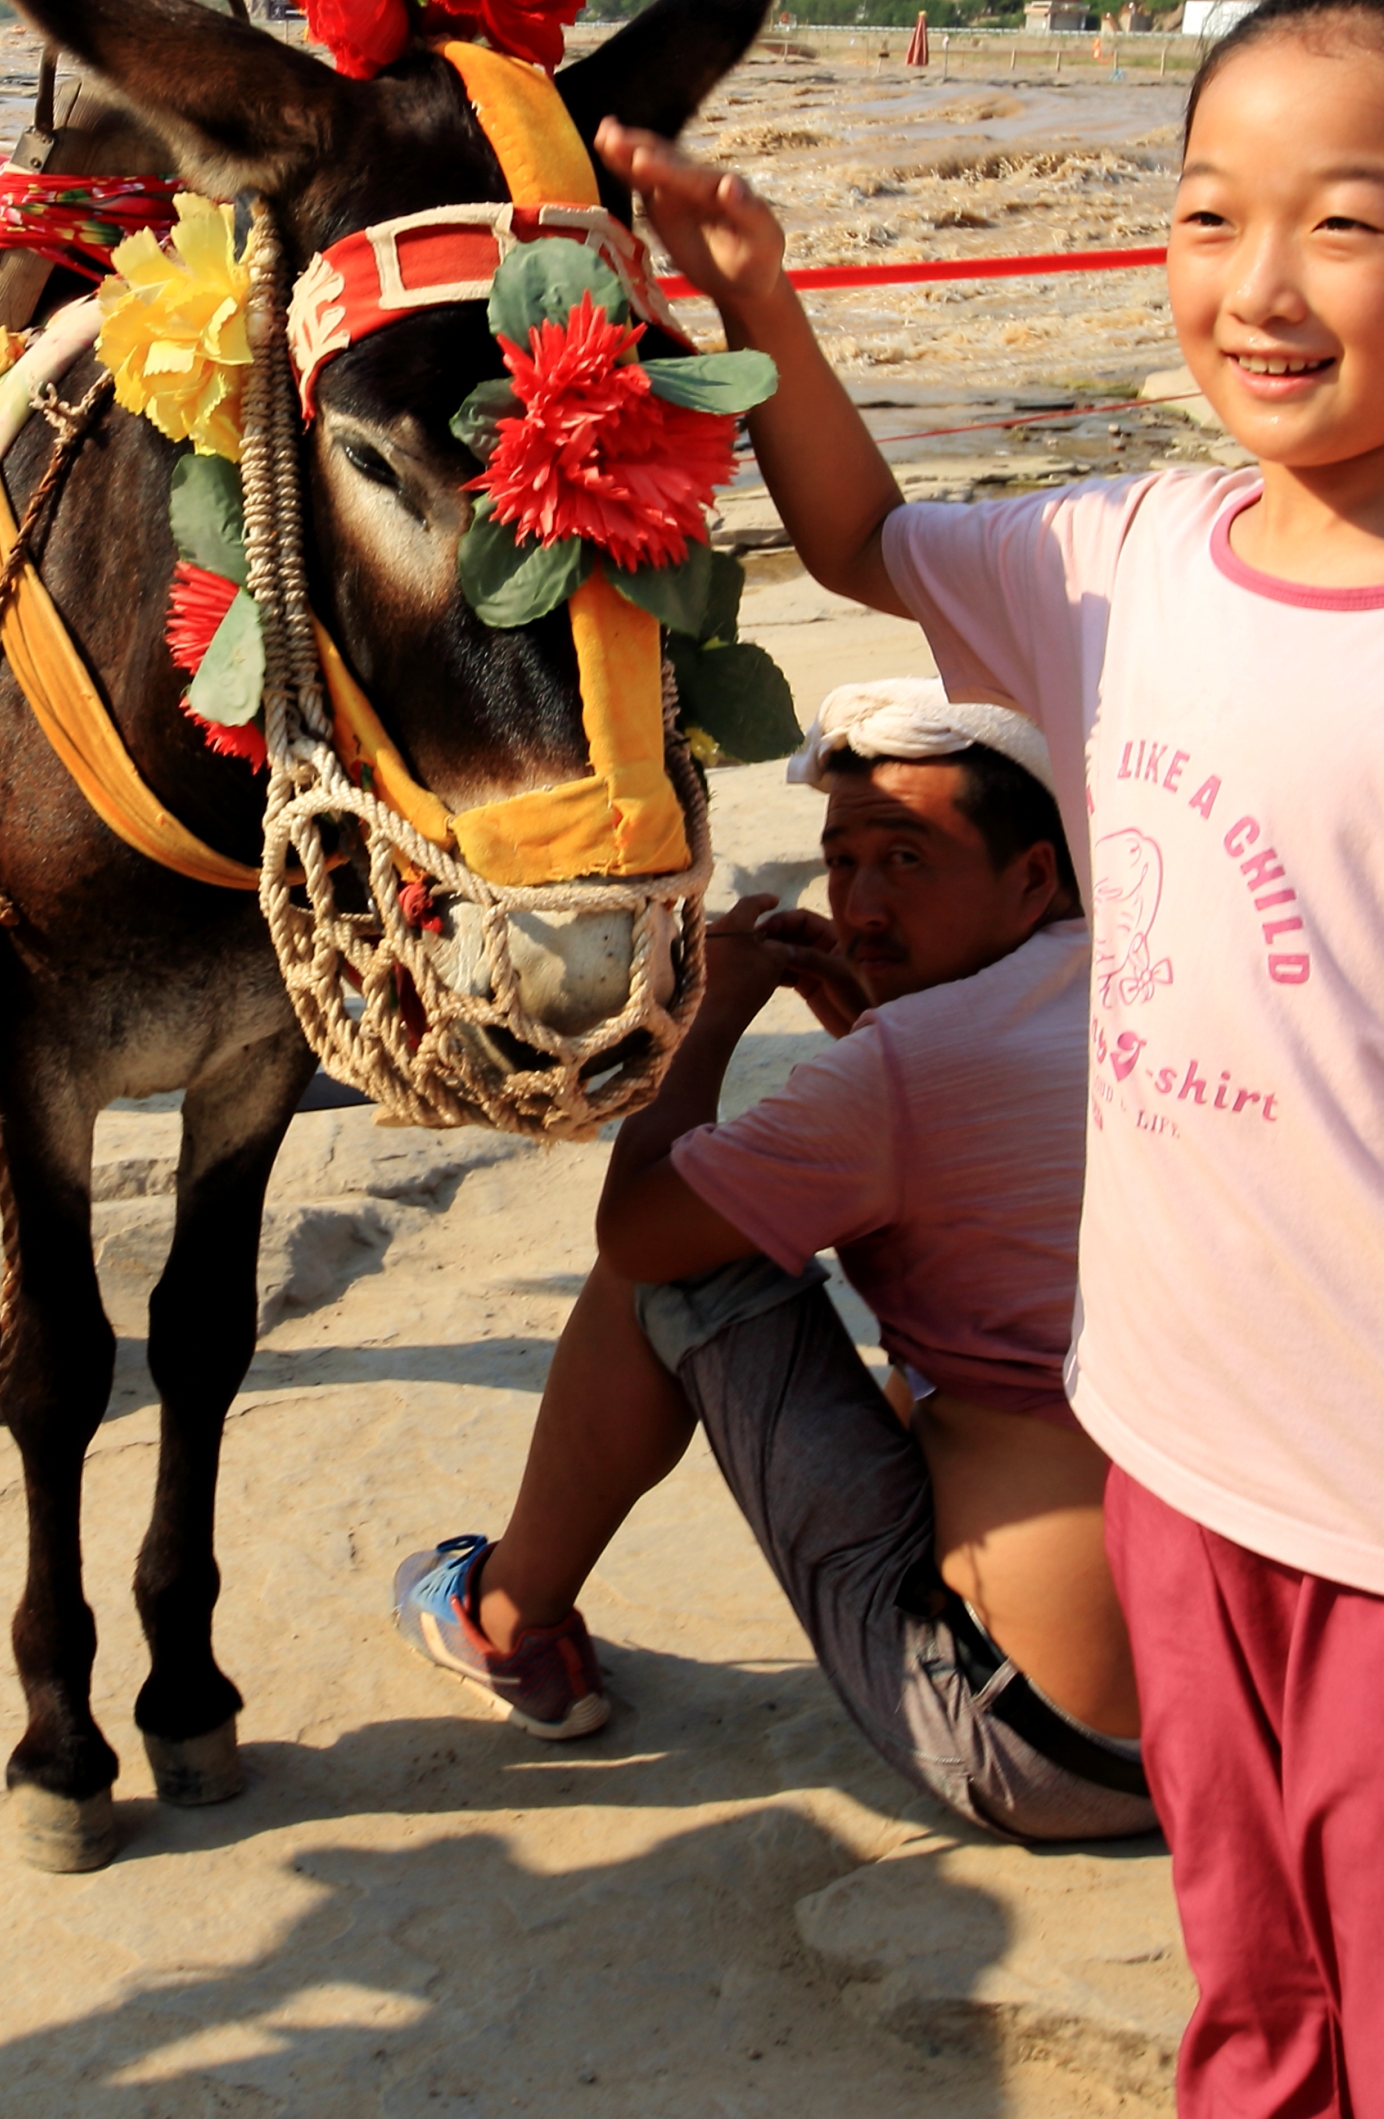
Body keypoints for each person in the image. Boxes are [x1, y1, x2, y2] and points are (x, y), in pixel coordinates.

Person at [593, 0, 1384, 2119]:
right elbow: (860, 545)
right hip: (1179, 1475)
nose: (1258, 283)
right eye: (1210, 213)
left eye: (1344, 221)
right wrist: (759, 299)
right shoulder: (1131, 559)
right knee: (1266, 2010)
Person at [392, 680, 1156, 1843]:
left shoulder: (904, 1069)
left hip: (1032, 1745)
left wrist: (706, 1013)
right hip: (1220, 1716)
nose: (863, 901)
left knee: (686, 1262)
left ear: (1033, 874)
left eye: (908, 858)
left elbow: (640, 1232)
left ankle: (508, 1615)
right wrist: (875, 1016)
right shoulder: (1134, 991)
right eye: (843, 862)